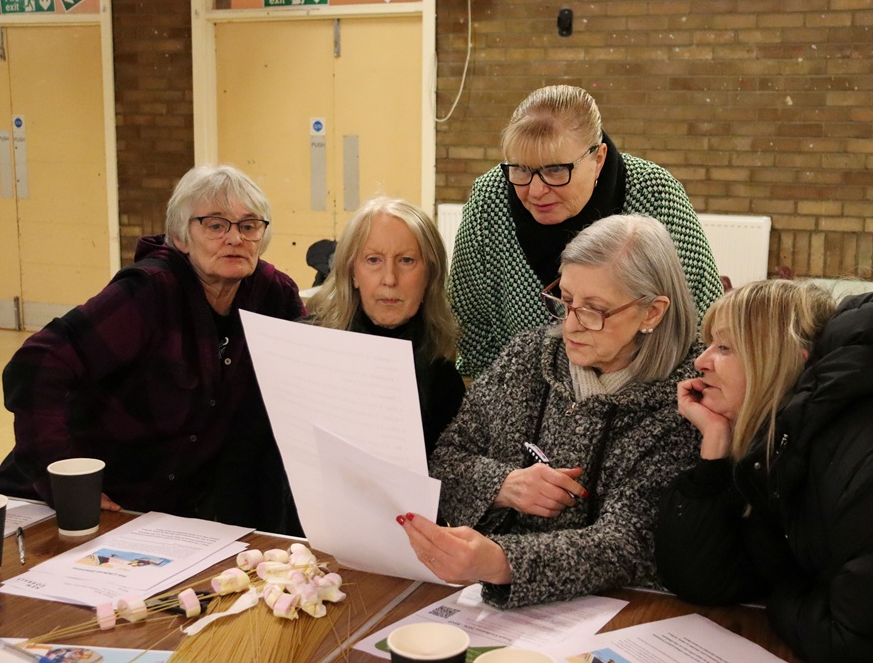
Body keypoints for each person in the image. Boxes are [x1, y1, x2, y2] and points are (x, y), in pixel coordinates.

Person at [656, 279, 873, 662]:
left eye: (724, 347)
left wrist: (782, 587)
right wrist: (714, 450)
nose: (700, 361)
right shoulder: (788, 440)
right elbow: (707, 579)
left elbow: (860, 647)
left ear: (787, 358)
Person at [396, 214, 702, 608]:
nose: (571, 326)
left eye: (594, 310)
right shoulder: (527, 356)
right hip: (482, 600)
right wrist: (504, 484)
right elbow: (445, 460)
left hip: (621, 612)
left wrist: (502, 561)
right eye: (567, 300)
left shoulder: (686, 399)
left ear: (652, 312)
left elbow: (629, 542)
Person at [0, 164, 306, 534]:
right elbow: (35, 365)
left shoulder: (273, 295)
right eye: (215, 225)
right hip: (62, 509)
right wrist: (61, 477)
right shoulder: (149, 292)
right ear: (182, 237)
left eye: (248, 225)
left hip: (162, 519)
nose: (234, 238)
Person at [449, 84, 722, 377]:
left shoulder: (654, 194)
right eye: (522, 170)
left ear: (598, 159)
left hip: (642, 392)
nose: (536, 190)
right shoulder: (491, 198)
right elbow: (472, 330)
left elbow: (696, 324)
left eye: (556, 170)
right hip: (523, 394)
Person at [302, 197, 465, 457]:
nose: (390, 279)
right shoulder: (306, 349)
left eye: (407, 260)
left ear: (429, 275)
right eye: (374, 260)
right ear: (353, 273)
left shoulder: (444, 383)